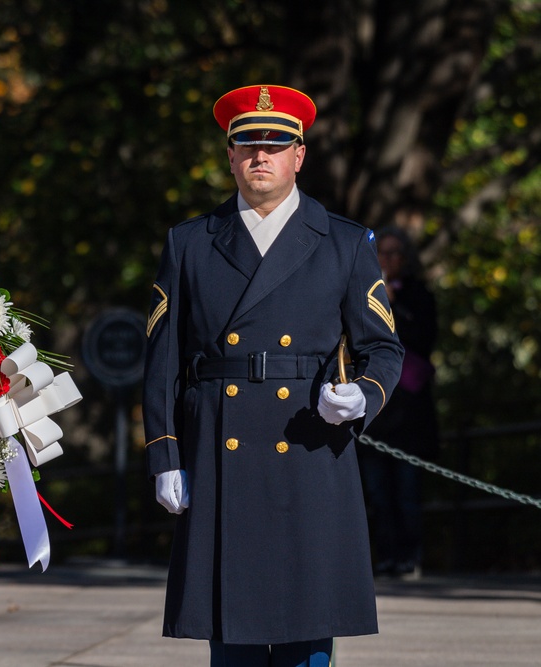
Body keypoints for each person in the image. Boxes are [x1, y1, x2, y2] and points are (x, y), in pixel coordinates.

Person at [142, 84, 405, 667]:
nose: (261, 157)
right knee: (230, 645)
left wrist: (362, 396)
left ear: (299, 156)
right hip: (218, 449)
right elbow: (162, 361)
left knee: (305, 640)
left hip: (310, 447)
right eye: (247, 145)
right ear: (230, 156)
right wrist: (164, 453)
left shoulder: (344, 241)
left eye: (276, 144)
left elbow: (384, 348)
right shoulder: (190, 241)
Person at [360, 227, 439, 580]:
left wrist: (396, 308)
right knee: (378, 493)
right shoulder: (364, 295)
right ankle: (387, 556)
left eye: (395, 253)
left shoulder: (419, 296)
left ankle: (411, 557)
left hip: (409, 413)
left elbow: (425, 340)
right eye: (383, 253)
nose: (388, 260)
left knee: (407, 492)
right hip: (377, 412)